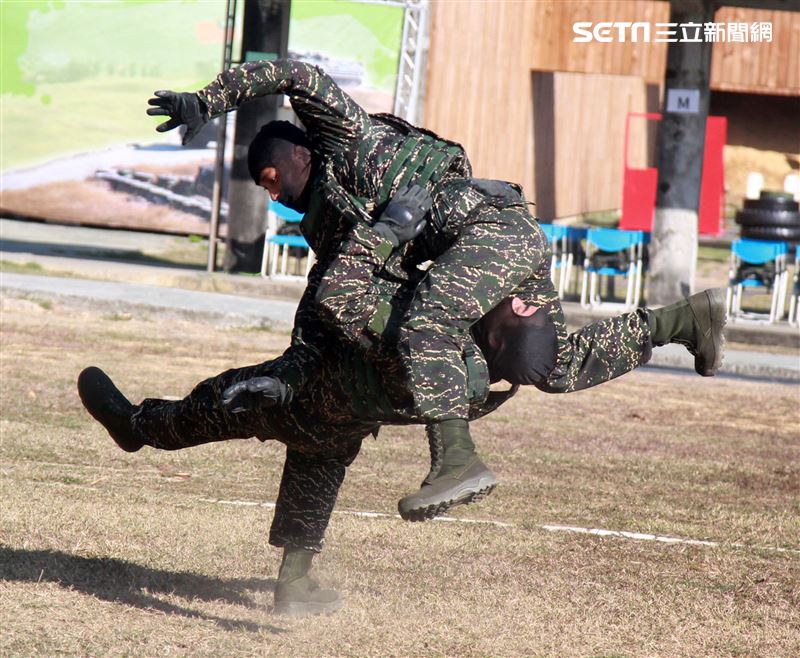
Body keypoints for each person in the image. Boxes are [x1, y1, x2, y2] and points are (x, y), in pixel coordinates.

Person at [146, 58, 727, 523]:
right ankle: (684, 321)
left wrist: (209, 101)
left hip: (490, 230)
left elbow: (291, 74)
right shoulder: (331, 225)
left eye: (271, 181)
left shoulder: (348, 140)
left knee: (428, 321)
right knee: (548, 364)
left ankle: (457, 459)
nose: (273, 197)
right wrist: (292, 374)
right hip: (493, 251)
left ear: (297, 154)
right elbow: (325, 304)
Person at [78, 279, 726, 617]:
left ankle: (141, 428)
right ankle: (141, 429)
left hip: (339, 398)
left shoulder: (457, 347)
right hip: (323, 395)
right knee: (283, 439)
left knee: (264, 426)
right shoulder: (449, 341)